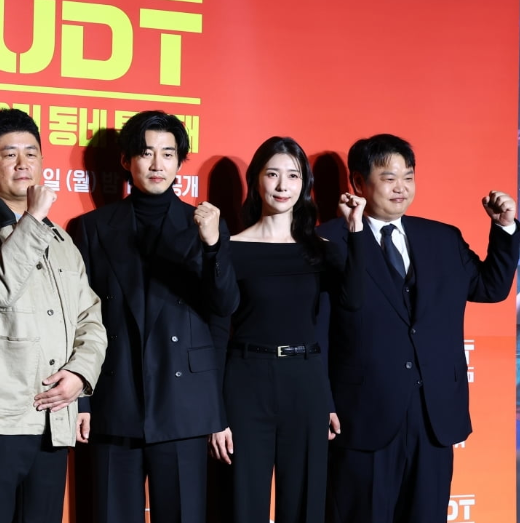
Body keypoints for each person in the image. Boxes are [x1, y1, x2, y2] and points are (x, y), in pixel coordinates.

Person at [319, 134, 520, 523]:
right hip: (362, 415)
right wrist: (323, 400)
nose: (401, 188)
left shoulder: (442, 238)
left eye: (408, 177)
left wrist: (505, 228)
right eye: (389, 178)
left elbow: (491, 288)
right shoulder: (330, 240)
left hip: (433, 417)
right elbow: (318, 329)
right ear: (358, 182)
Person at [70, 110, 238, 523]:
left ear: (180, 161)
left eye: (168, 153)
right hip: (115, 399)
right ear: (126, 160)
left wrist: (212, 246)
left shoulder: (204, 224)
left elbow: (223, 308)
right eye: (146, 153)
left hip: (183, 404)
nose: (157, 164)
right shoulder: (91, 228)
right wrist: (83, 399)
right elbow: (77, 317)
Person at [0, 108, 107, 523]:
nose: (23, 164)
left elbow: (90, 317)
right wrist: (32, 218)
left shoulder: (61, 238)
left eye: (31, 154)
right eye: (9, 154)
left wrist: (80, 376)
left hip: (52, 421)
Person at [208, 136, 365, 523]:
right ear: (255, 180)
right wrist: (215, 415)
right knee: (242, 505)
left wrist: (356, 229)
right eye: (272, 174)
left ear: (305, 184)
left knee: (305, 504)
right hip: (246, 383)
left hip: (306, 382)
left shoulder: (321, 249)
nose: (282, 186)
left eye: (293, 176)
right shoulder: (231, 247)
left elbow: (352, 303)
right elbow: (216, 331)